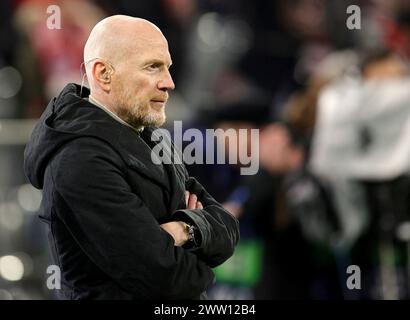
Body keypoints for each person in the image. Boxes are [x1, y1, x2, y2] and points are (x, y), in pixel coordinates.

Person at [24, 15, 239, 300]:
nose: (169, 83)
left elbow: (227, 229)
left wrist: (185, 230)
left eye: (168, 68)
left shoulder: (152, 138)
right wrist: (201, 252)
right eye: (153, 67)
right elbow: (167, 277)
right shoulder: (80, 160)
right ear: (103, 74)